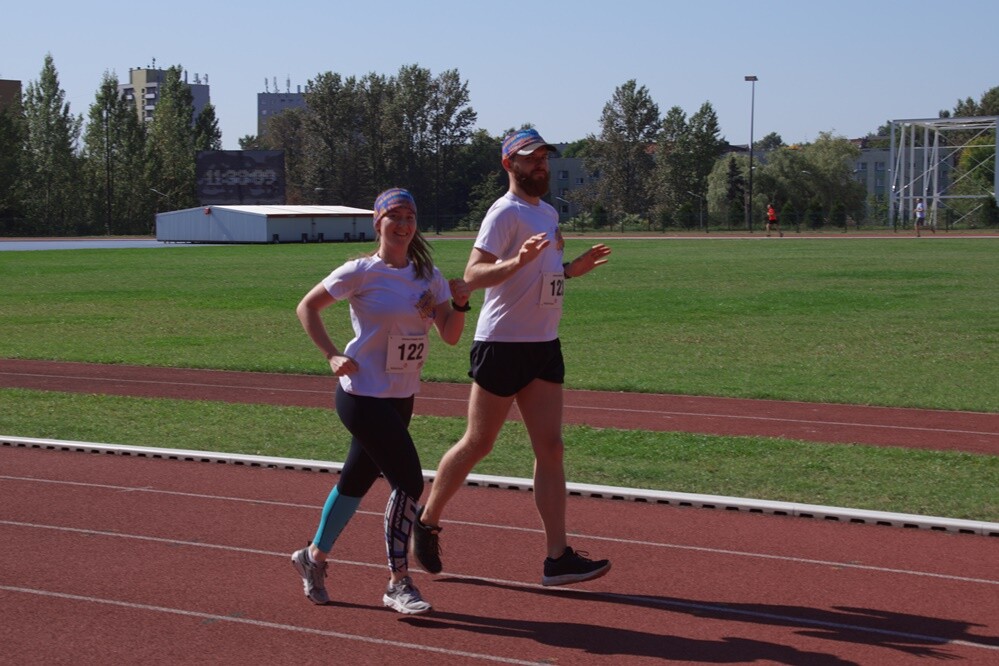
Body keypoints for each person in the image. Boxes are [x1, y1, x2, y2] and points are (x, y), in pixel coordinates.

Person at [411, 128, 613, 587]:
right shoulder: (503, 213)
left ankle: (557, 557)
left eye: (544, 156)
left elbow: (544, 274)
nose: (540, 164)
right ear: (509, 165)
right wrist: (516, 262)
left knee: (552, 448)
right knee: (479, 444)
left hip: (544, 344)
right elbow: (473, 274)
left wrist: (569, 271)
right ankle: (427, 520)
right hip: (502, 343)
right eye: (530, 158)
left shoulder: (548, 212)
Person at [291, 188, 470, 615]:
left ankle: (312, 558)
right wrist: (332, 354)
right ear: (378, 222)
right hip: (361, 394)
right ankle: (398, 582)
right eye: (395, 217)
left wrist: (460, 302)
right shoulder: (361, 271)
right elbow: (307, 307)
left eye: (410, 217)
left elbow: (450, 334)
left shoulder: (429, 275)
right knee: (409, 482)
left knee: (354, 482)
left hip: (400, 395)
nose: (404, 225)